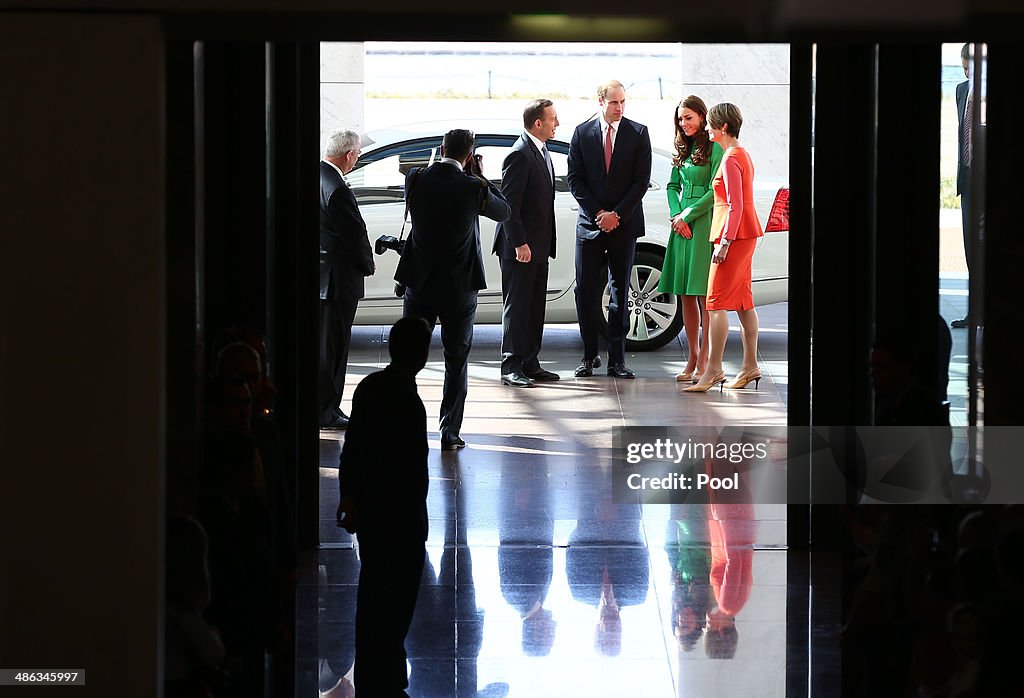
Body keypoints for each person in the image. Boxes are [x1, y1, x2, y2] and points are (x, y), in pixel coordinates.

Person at [395, 128, 511, 450]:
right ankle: (449, 432)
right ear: (469, 155)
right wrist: (481, 177)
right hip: (459, 288)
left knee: (408, 358)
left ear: (442, 147)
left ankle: (406, 426)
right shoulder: (472, 187)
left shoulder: (415, 178)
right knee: (456, 360)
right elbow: (504, 212)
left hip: (419, 283)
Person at [335, 316, 432, 697]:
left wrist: (349, 495)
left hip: (373, 516)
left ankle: (376, 672)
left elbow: (353, 449)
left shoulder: (369, 388)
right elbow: (411, 475)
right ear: (421, 355)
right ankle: (387, 676)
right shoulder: (409, 403)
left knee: (373, 595)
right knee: (397, 603)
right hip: (402, 522)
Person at [567, 79, 653, 379]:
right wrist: (599, 213)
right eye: (614, 102)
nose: (620, 108)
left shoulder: (638, 133)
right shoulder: (581, 133)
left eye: (623, 102)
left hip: (624, 225)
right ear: (600, 101)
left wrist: (616, 214)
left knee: (620, 293)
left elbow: (641, 181)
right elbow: (575, 180)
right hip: (589, 226)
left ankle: (617, 360)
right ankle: (589, 357)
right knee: (585, 292)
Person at [684, 103, 764, 393]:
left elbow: (735, 204)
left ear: (724, 128)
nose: (707, 129)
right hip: (746, 235)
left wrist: (725, 242)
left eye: (712, 125)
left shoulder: (730, 158)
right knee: (743, 301)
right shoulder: (742, 154)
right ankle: (749, 367)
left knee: (714, 303)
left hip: (733, 236)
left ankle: (713, 370)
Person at [493, 98, 561, 388]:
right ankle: (511, 365)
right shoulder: (519, 154)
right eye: (553, 119)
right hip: (519, 248)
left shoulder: (542, 151)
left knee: (534, 307)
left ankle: (530, 362)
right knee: (517, 307)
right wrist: (519, 243)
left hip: (539, 246)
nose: (556, 124)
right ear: (538, 123)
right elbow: (509, 205)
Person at [658, 96, 724, 383]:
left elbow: (715, 190)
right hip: (681, 224)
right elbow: (672, 185)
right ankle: (693, 356)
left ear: (701, 116)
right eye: (681, 119)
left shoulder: (715, 148)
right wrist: (676, 216)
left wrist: (688, 214)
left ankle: (707, 359)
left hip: (702, 221)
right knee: (685, 293)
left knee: (702, 294)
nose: (684, 124)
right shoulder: (681, 147)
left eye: (689, 118)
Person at [319, 128, 375, 429]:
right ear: (349, 154)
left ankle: (326, 406)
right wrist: (368, 263)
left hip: (323, 278)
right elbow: (353, 233)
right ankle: (327, 410)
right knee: (335, 350)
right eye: (358, 155)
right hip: (339, 280)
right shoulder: (337, 188)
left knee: (325, 348)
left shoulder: (316, 175)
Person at [952, 43, 973, 329]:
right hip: (967, 180)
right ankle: (975, 312)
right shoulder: (960, 90)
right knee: (971, 249)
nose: (967, 70)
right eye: (964, 66)